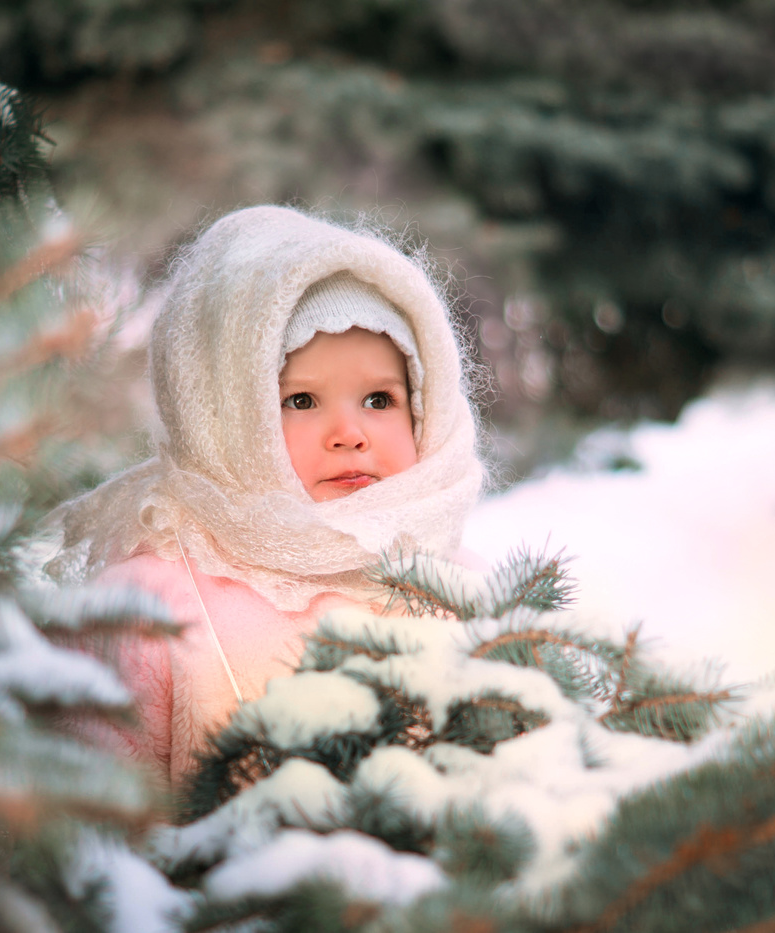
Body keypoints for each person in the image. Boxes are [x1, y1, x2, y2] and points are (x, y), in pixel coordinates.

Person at [41, 205, 486, 784]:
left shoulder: (457, 583)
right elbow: (92, 824)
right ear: (224, 418)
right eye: (301, 400)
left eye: (379, 400)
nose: (349, 435)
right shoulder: (153, 608)